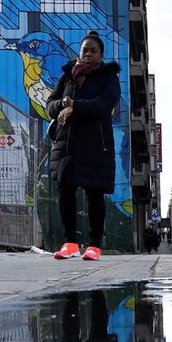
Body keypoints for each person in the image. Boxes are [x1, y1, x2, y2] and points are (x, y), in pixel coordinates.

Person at [46, 30, 121, 261]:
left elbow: (103, 104)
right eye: (85, 50)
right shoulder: (68, 75)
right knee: (65, 190)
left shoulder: (109, 77)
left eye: (93, 51)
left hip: (96, 144)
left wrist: (75, 107)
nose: (88, 54)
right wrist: (62, 103)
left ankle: (94, 246)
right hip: (67, 143)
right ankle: (70, 244)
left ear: (100, 55)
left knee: (94, 193)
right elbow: (49, 104)